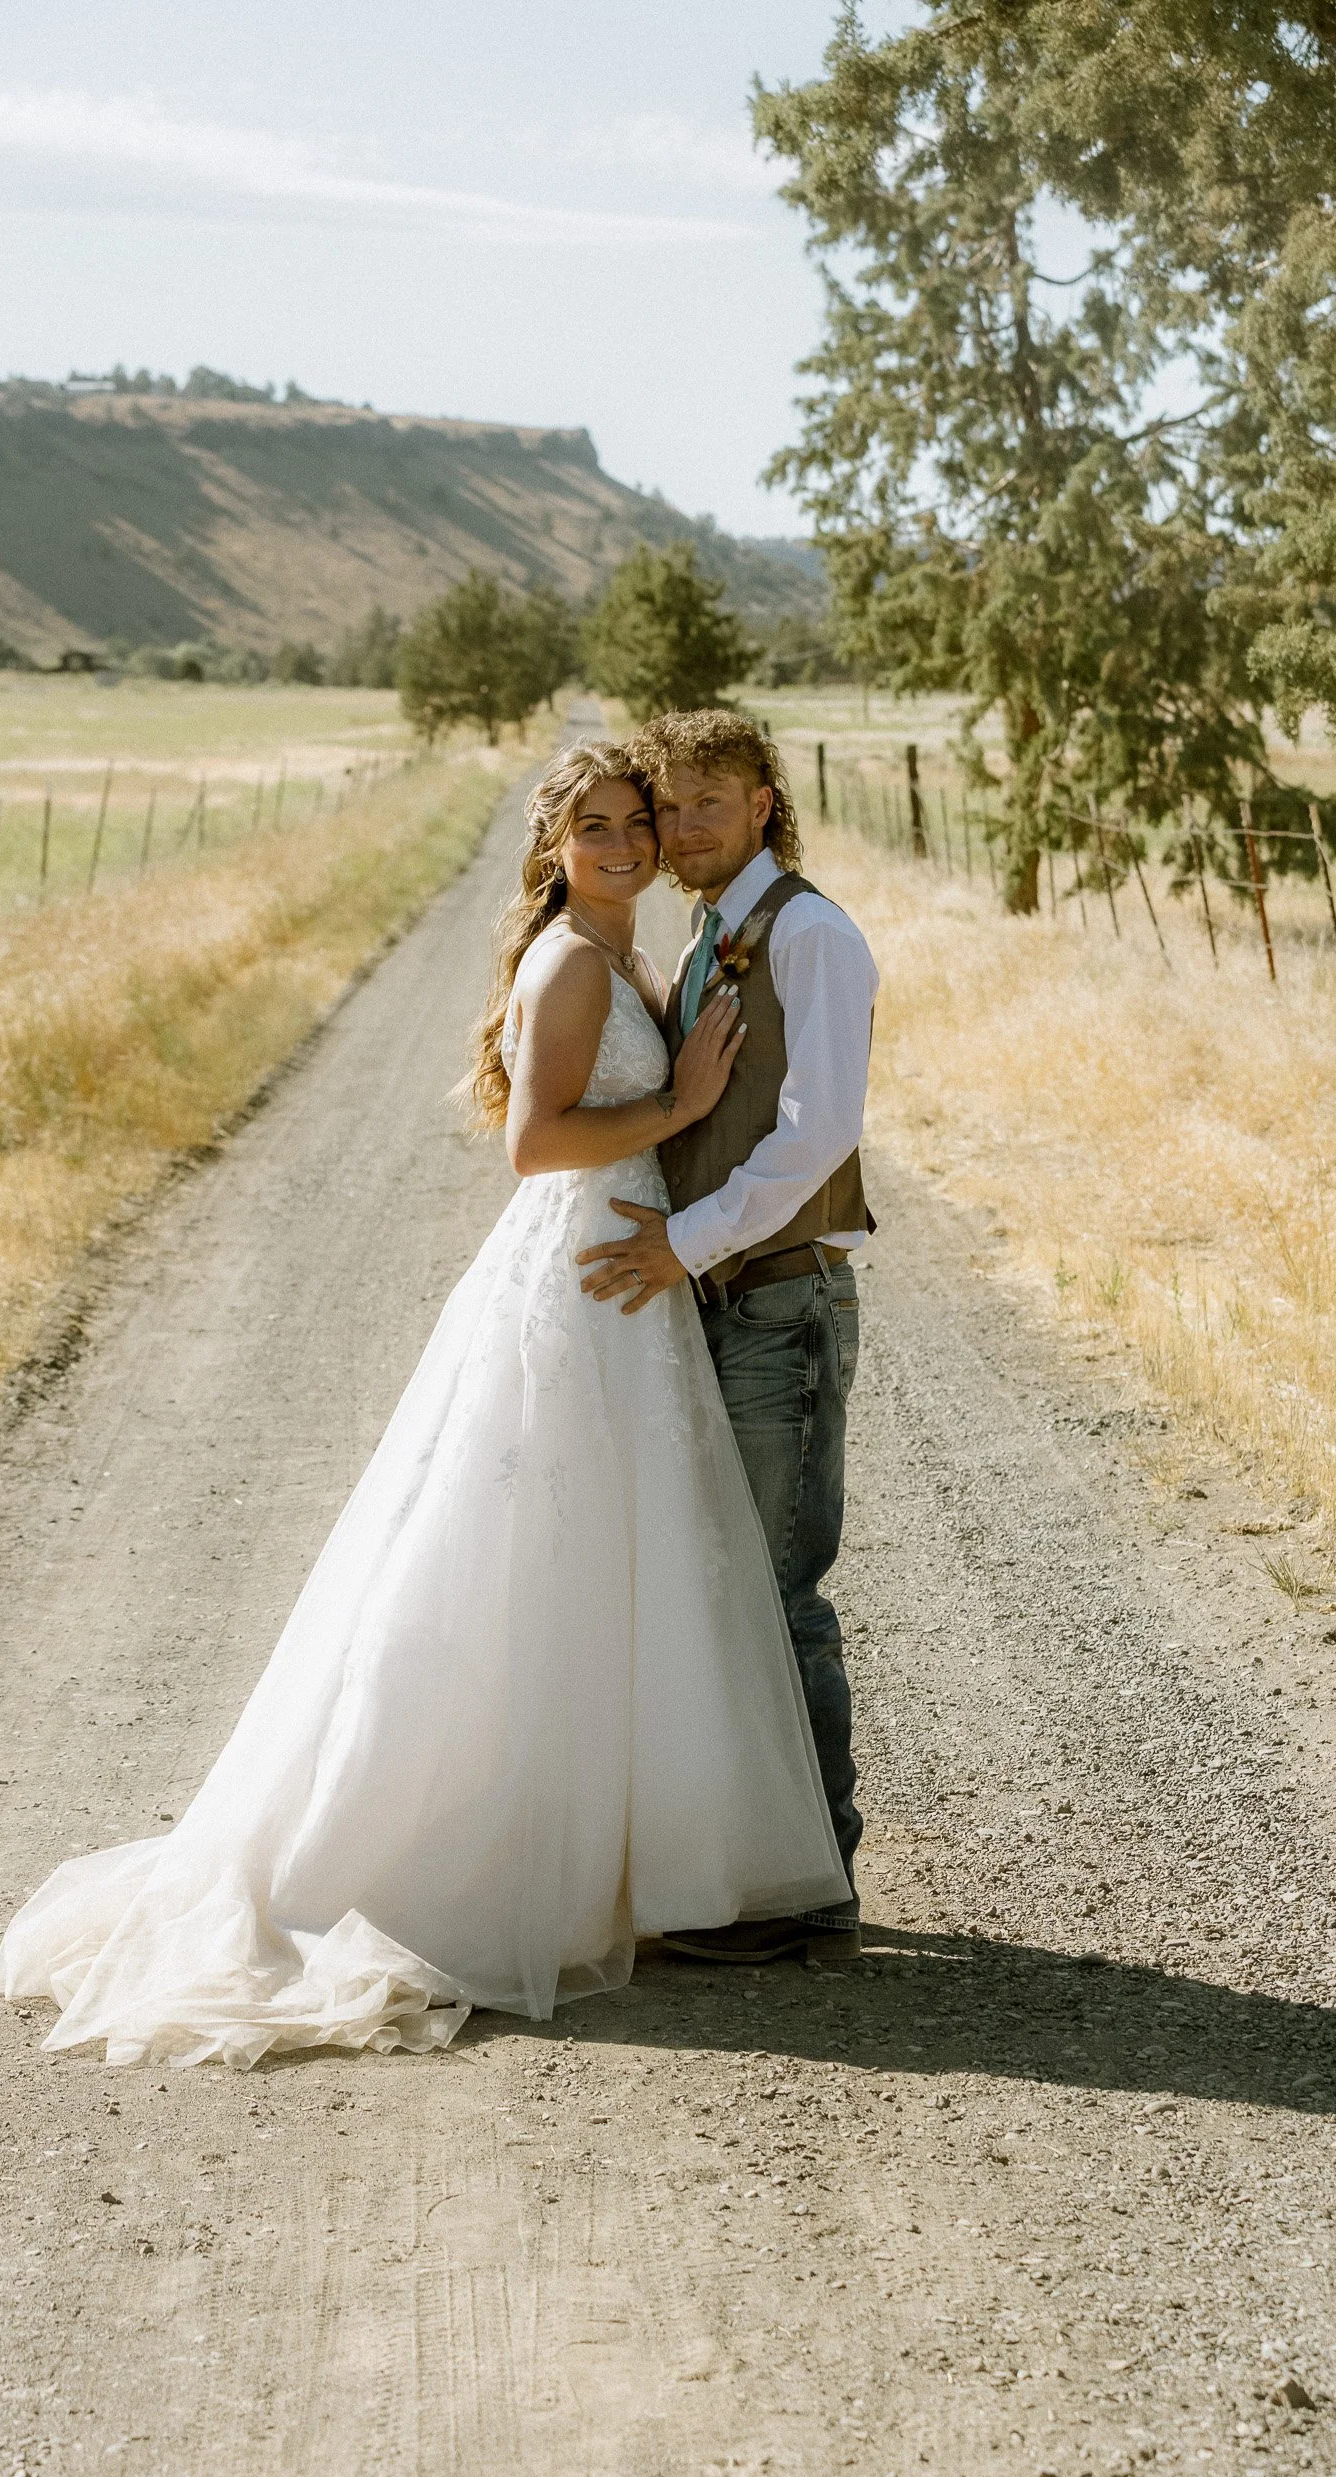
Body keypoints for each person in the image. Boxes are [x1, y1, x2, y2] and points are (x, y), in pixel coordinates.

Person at [0, 743, 847, 2067]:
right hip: (578, 1268)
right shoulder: (573, 961)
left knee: (618, 1565)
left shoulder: (624, 956)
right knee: (530, 1554)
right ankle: (467, 1855)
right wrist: (675, 1101)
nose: (626, 843)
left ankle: (647, 1854)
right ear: (553, 848)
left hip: (624, 1274)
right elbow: (532, 1143)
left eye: (638, 822)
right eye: (598, 827)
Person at [578, 711, 876, 1965]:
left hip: (780, 1297)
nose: (681, 829)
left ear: (763, 803)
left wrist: (682, 1242)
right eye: (669, 807)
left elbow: (814, 1136)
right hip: (724, 1299)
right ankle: (760, 1865)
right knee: (728, 1592)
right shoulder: (709, 932)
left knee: (780, 1596)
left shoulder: (809, 935)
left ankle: (812, 1889)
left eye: (708, 804)